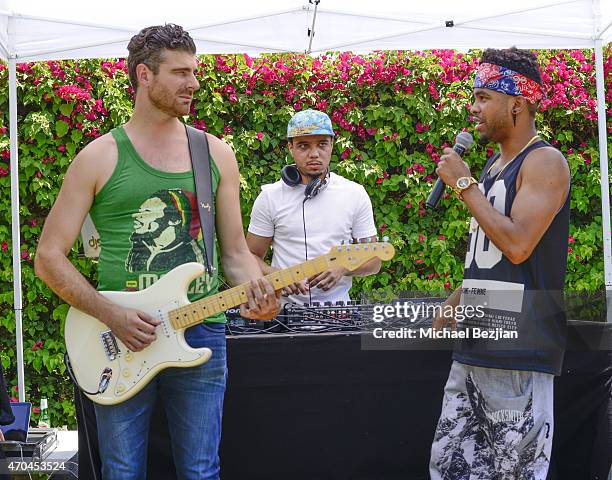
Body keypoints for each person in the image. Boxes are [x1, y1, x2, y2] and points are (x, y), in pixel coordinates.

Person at [35, 24, 279, 480]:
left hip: (202, 330)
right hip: (120, 336)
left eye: (195, 71)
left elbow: (234, 254)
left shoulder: (216, 155)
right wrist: (110, 315)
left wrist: (257, 290)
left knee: (201, 471)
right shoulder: (99, 156)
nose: (194, 83)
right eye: (181, 72)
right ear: (144, 76)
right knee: (122, 471)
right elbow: (48, 256)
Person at [429, 47, 570, 479]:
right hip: (477, 341)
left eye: (483, 97)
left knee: (513, 472)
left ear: (517, 103)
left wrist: (465, 184)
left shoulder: (544, 161)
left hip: (519, 349)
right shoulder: (493, 165)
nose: (473, 108)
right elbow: (489, 258)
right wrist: (456, 299)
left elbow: (519, 246)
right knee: (450, 467)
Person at [246, 109, 381, 307]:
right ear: (290, 147)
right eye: (303, 146)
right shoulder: (270, 197)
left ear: (332, 145)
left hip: (338, 317)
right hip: (282, 316)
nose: (314, 154)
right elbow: (250, 256)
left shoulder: (355, 194)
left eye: (322, 144)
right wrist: (277, 276)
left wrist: (342, 267)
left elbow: (374, 260)